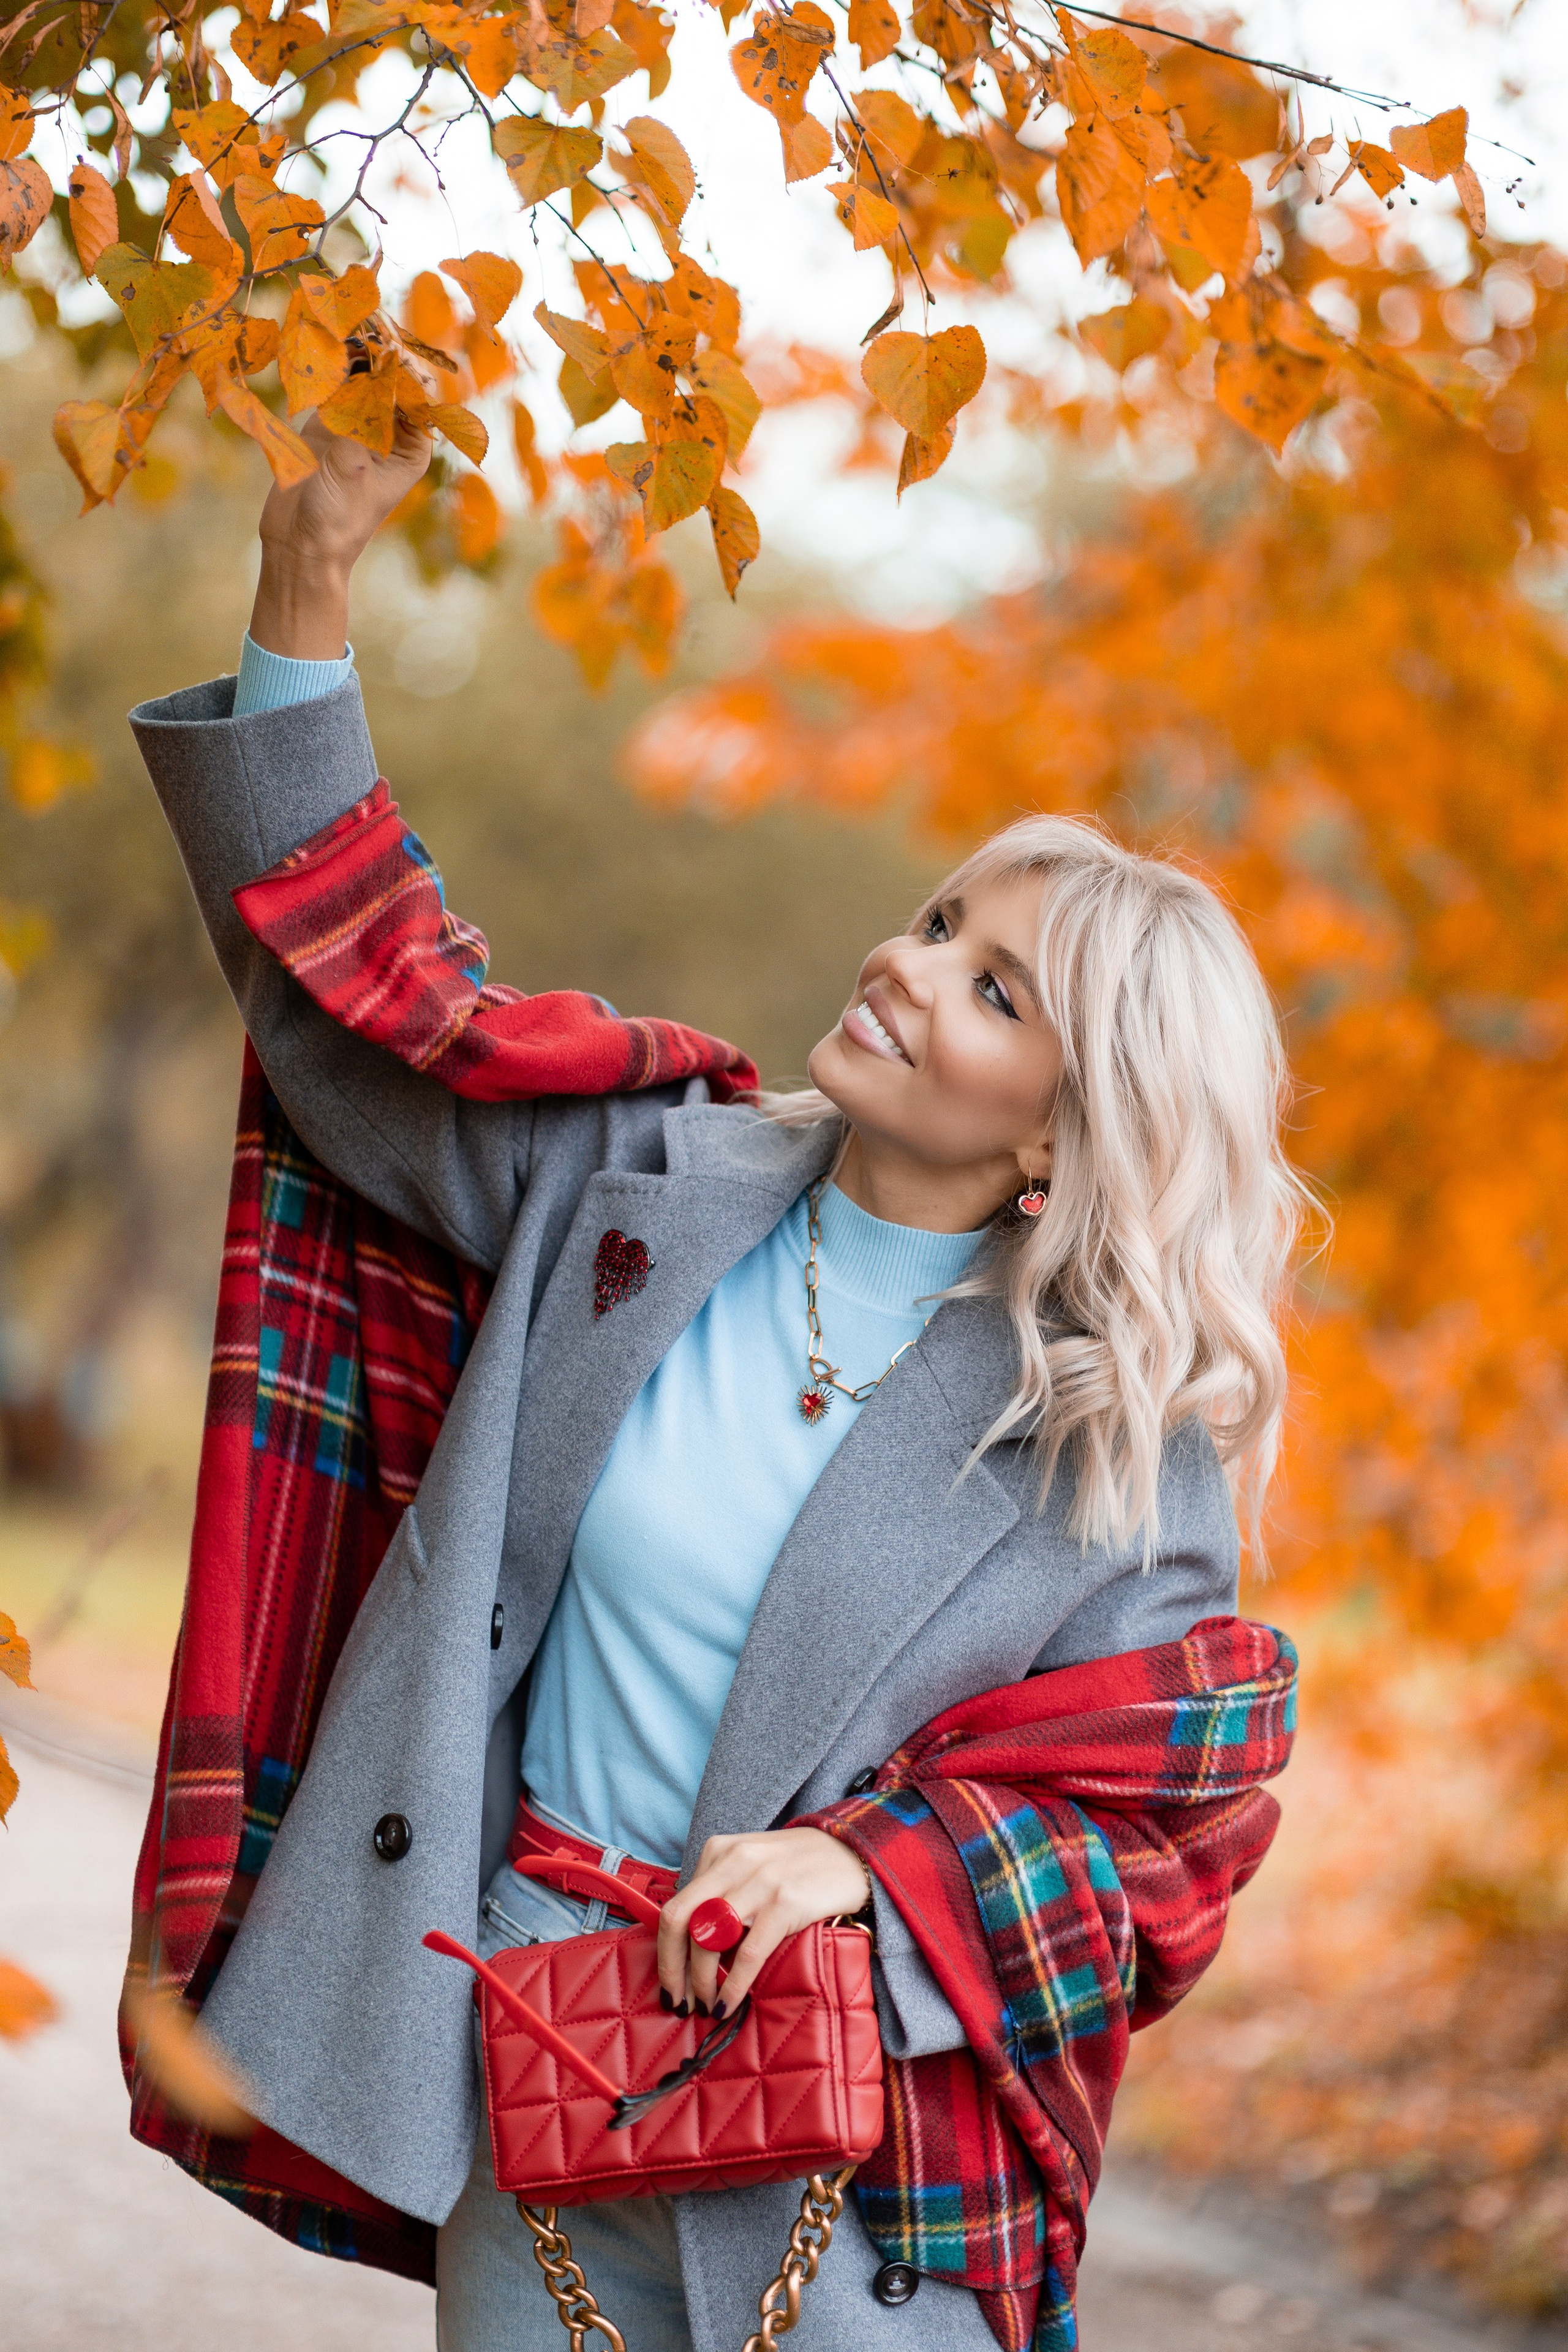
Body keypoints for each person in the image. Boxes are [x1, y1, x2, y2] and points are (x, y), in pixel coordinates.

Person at [125, 412, 1304, 2352]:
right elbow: (362, 1019)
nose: (912, 969)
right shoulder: (635, 1174)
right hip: (529, 2055)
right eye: (942, 926)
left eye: (997, 990)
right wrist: (308, 586)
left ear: (1070, 1140)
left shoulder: (1119, 1446)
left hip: (861, 2190)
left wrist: (864, 1867)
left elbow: (1161, 1833)